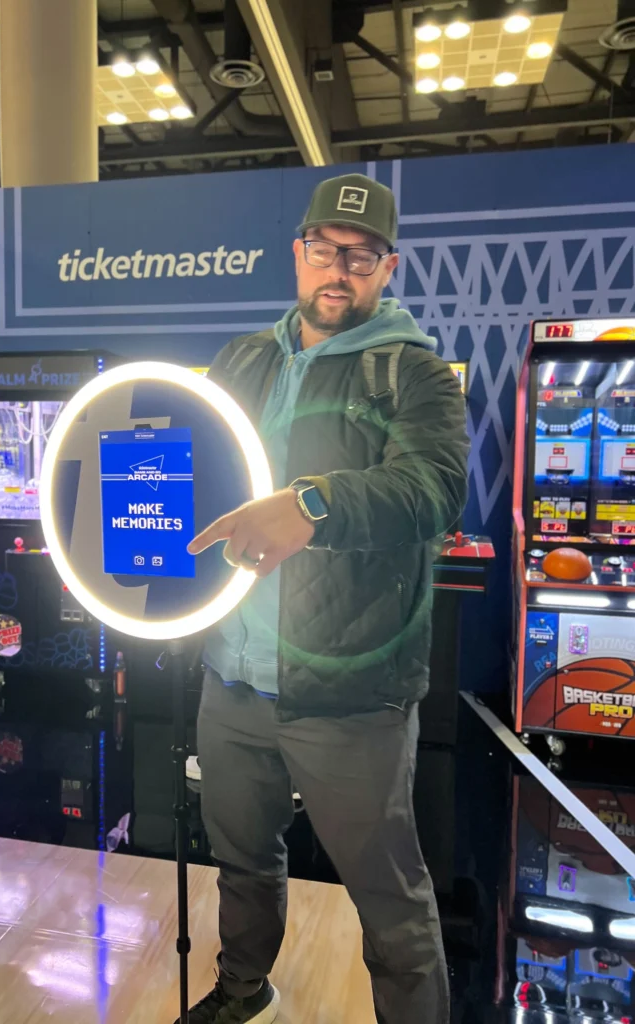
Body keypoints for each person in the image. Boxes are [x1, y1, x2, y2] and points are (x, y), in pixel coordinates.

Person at [181, 173, 470, 1024]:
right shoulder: (242, 358)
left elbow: (434, 489)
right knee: (242, 862)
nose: (337, 270)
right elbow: (200, 466)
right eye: (323, 251)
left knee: (388, 896)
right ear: (297, 253)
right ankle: (245, 992)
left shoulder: (414, 373)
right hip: (230, 673)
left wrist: (313, 504)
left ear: (387, 268)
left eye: (360, 256)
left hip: (350, 693)